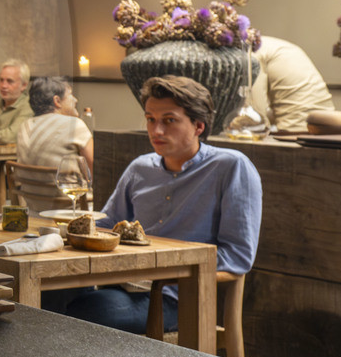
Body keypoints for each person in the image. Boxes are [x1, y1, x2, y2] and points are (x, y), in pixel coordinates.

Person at [59, 75, 261, 334]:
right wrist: (62, 234)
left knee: (81, 313)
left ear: (198, 125)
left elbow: (238, 254)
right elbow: (107, 225)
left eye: (169, 120)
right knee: (45, 297)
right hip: (122, 285)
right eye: (150, 119)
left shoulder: (231, 167)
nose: (156, 131)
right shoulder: (140, 168)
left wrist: (161, 270)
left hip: (177, 297)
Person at [14, 75, 93, 213]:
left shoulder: (25, 126)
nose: (75, 100)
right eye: (70, 95)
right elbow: (95, 170)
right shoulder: (74, 125)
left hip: (33, 211)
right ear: (57, 101)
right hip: (73, 210)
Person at [246, 36, 334, 133]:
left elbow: (255, 114)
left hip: (297, 129)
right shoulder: (272, 45)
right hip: (329, 125)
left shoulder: (251, 52)